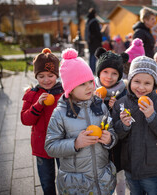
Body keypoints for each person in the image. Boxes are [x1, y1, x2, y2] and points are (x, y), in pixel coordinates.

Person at [44, 48, 117, 194]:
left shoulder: (100, 105)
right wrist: (75, 143)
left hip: (103, 179)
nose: (90, 86)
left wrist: (110, 139)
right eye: (82, 84)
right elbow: (50, 147)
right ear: (70, 88)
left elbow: (111, 130)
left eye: (90, 81)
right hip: (76, 184)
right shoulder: (60, 113)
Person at [112, 56, 157, 194]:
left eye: (147, 83)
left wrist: (153, 116)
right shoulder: (121, 104)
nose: (141, 87)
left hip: (153, 167)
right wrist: (124, 125)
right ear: (130, 80)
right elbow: (115, 134)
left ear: (154, 84)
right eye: (136, 81)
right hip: (130, 165)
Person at [21, 48, 63, 195]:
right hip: (41, 145)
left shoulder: (64, 94)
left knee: (65, 178)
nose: (46, 80)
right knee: (46, 180)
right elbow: (25, 120)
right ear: (36, 76)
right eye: (41, 76)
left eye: (51, 75)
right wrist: (38, 105)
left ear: (56, 75)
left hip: (62, 143)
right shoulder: (31, 94)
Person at [94, 47, 129, 195]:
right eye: (105, 72)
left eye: (114, 73)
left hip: (119, 145)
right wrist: (98, 104)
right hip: (98, 144)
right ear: (99, 72)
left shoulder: (124, 92)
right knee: (101, 176)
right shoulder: (91, 91)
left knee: (119, 175)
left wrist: (117, 108)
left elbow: (128, 119)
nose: (109, 76)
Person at [85, 8, 102, 74]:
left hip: (90, 41)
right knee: (95, 56)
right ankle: (93, 70)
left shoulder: (88, 21)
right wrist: (100, 39)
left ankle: (90, 69)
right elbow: (97, 32)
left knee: (91, 55)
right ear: (94, 14)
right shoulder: (94, 22)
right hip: (95, 41)